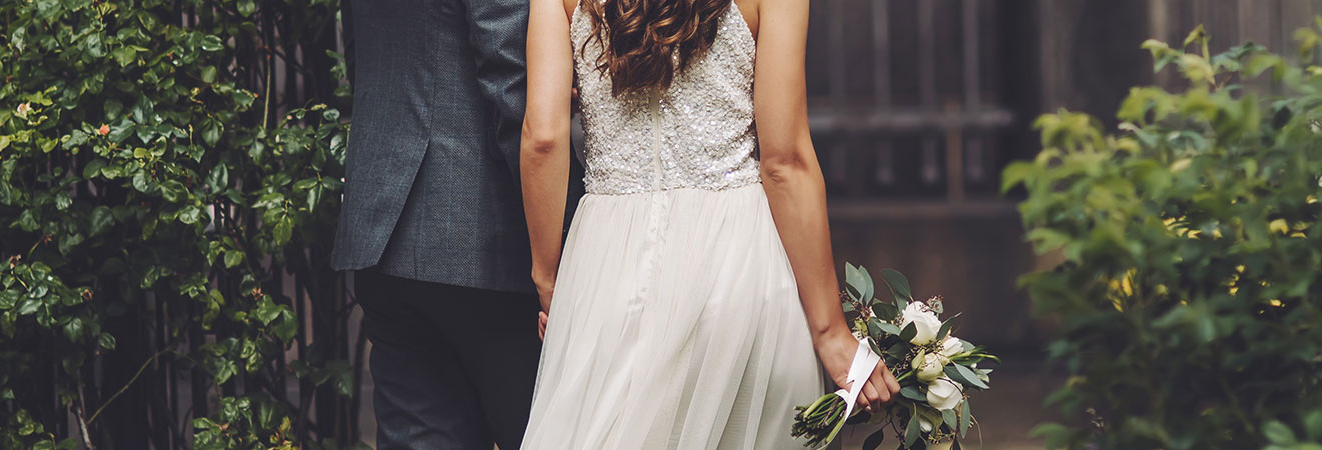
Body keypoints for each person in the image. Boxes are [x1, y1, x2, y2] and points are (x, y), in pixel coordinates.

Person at [515, 0, 903, 446]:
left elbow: (543, 139)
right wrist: (831, 332)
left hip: (608, 265)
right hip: (738, 263)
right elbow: (785, 163)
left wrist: (548, 282)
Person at [332, 0, 577, 447]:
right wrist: (570, 232)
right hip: (490, 243)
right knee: (548, 434)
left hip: (383, 232)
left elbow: (360, 55)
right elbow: (515, 83)